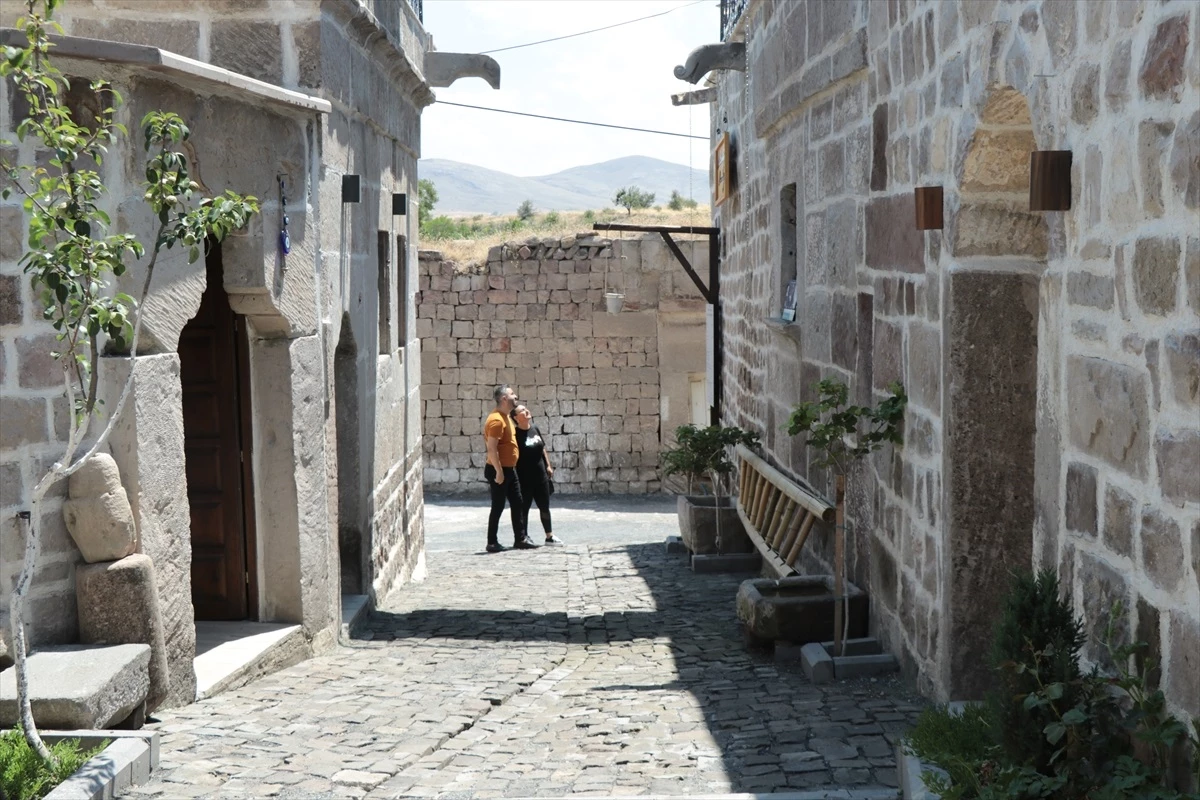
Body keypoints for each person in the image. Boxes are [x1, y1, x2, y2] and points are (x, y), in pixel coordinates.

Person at [483, 384, 538, 553]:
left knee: (518, 502)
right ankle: (492, 542)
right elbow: (491, 448)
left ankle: (520, 538)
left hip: (509, 469)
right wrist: (499, 472)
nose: (516, 396)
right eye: (512, 394)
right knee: (498, 506)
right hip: (499, 470)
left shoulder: (505, 417)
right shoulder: (496, 420)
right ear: (504, 399)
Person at [512, 404, 562, 546]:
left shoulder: (535, 429)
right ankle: (524, 537)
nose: (526, 411)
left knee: (544, 507)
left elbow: (542, 448)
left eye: (526, 409)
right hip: (525, 479)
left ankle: (549, 536)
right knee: (524, 509)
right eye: (522, 410)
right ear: (516, 418)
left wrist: (548, 465)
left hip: (541, 477)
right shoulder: (515, 435)